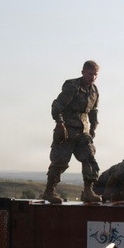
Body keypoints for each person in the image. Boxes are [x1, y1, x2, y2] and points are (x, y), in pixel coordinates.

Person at [45, 60, 103, 204]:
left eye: (95, 75)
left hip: (83, 132)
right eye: (90, 74)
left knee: (89, 158)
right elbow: (57, 105)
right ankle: (49, 191)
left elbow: (93, 112)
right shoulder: (73, 87)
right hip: (67, 129)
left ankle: (89, 191)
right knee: (60, 162)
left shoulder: (94, 91)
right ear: (83, 72)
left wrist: (93, 128)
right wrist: (59, 123)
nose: (93, 77)